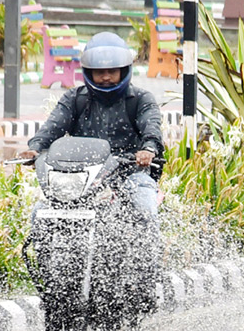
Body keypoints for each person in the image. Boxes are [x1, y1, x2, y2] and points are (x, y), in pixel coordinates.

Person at [18, 33, 163, 220]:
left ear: (124, 70)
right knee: (40, 212)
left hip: (129, 173)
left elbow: (152, 128)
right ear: (88, 72)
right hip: (83, 177)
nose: (106, 77)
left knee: (145, 208)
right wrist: (35, 147)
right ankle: (41, 249)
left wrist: (148, 149)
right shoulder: (75, 99)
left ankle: (149, 249)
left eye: (112, 71)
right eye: (99, 72)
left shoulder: (141, 99)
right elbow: (53, 126)